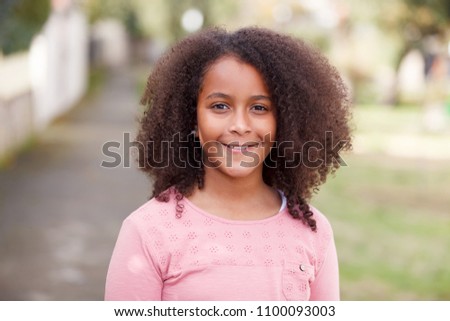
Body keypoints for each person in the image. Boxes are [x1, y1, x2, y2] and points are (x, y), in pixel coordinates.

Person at [105, 26, 352, 301]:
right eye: (220, 106)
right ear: (191, 119)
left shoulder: (312, 232)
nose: (239, 126)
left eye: (259, 108)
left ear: (285, 122)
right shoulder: (148, 232)